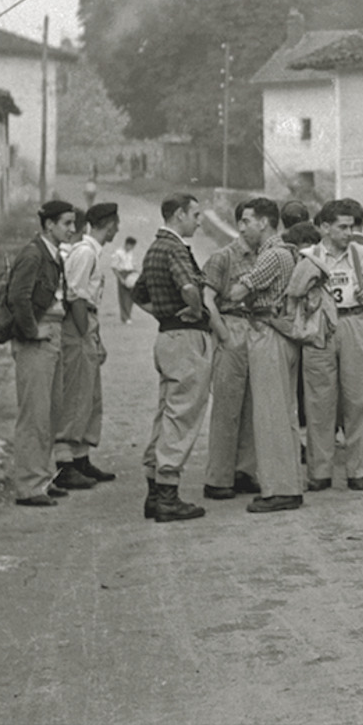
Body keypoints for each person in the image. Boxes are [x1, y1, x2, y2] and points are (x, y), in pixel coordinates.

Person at [201, 197, 304, 513]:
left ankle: (280, 489)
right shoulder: (287, 251)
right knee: (279, 413)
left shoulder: (272, 255)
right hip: (275, 332)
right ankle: (282, 484)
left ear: (264, 221)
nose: (242, 226)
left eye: (247, 220)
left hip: (267, 332)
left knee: (269, 415)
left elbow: (236, 292)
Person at [135, 192, 211, 522]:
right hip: (185, 338)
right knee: (183, 413)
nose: (200, 219)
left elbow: (138, 293)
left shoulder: (155, 248)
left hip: (166, 335)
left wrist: (162, 314)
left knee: (167, 410)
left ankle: (155, 491)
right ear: (179, 214)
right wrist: (194, 310)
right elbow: (189, 287)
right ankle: (168, 493)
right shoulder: (176, 247)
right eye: (195, 214)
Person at [303, 199, 363, 492]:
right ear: (324, 227)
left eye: (352, 226)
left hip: (354, 323)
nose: (348, 232)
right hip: (321, 326)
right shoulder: (309, 256)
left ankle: (358, 470)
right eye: (342, 227)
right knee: (319, 401)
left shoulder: (362, 254)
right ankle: (320, 471)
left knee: (359, 399)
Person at [6, 200, 78, 507]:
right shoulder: (34, 254)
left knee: (50, 412)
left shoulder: (52, 255)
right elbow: (17, 296)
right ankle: (29, 487)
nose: (73, 229)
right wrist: (32, 331)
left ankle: (42, 478)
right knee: (34, 414)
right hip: (37, 339)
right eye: (67, 223)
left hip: (53, 336)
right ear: (49, 225)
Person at [54, 202, 120, 491]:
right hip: (77, 328)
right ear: (109, 223)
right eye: (116, 223)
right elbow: (76, 297)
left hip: (87, 325)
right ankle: (64, 463)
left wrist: (96, 337)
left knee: (90, 396)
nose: (118, 228)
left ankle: (81, 458)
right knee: (76, 394)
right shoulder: (84, 252)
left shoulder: (92, 252)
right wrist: (84, 335)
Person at [111, 236, 140, 324]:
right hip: (122, 273)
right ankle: (124, 316)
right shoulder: (118, 253)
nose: (131, 248)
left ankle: (128, 315)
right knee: (123, 296)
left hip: (130, 273)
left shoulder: (131, 253)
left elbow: (132, 264)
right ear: (127, 244)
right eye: (131, 246)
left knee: (131, 296)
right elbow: (114, 267)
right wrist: (120, 278)